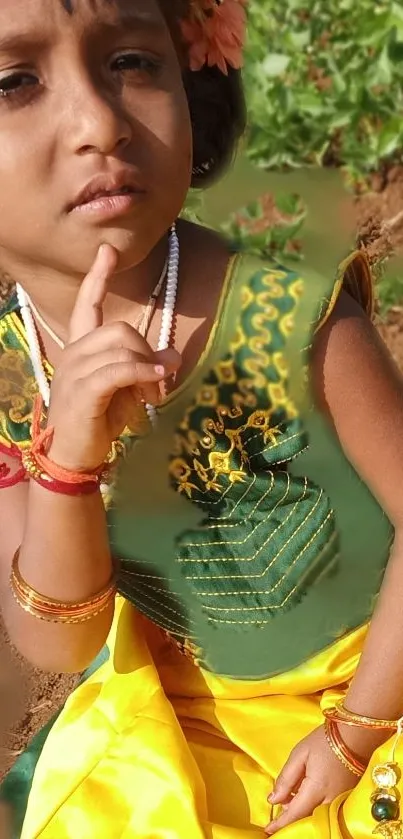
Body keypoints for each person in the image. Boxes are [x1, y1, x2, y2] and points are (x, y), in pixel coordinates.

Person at [1, 1, 403, 837]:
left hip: (378, 680)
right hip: (189, 718)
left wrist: (354, 731)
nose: (98, 122)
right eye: (15, 82)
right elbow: (59, 645)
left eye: (131, 63)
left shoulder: (290, 314)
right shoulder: (10, 377)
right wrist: (67, 464)